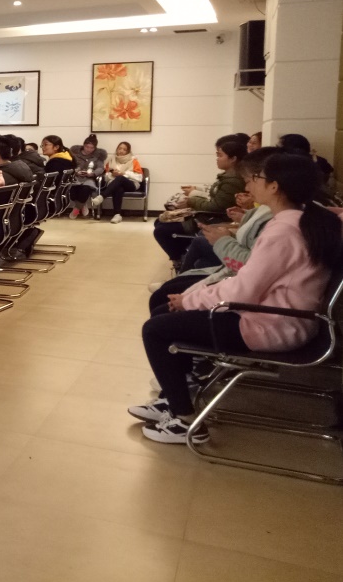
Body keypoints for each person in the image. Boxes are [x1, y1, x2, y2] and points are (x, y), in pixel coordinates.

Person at [130, 153, 343, 443]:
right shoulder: (307, 218)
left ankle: (185, 421)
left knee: (156, 329)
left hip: (272, 325)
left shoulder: (284, 231)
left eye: (255, 178)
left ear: (274, 186)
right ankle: (173, 396)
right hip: (280, 317)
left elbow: (244, 290)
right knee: (164, 315)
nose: (248, 184)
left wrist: (189, 300)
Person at [147, 147, 281, 309]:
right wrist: (244, 216)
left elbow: (252, 271)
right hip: (234, 275)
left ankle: (179, 268)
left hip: (244, 294)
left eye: (251, 181)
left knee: (178, 237)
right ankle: (180, 271)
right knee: (185, 255)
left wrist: (222, 239)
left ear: (273, 185)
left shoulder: (282, 227)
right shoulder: (269, 210)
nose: (247, 188)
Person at [153, 135, 246, 266]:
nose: (217, 159)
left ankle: (180, 260)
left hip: (212, 219)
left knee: (161, 230)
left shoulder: (232, 181)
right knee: (160, 222)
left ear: (233, 159)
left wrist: (191, 201)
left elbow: (216, 206)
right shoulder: (228, 177)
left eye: (220, 155)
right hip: (208, 216)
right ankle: (183, 257)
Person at [89, 141, 143, 223]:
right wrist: (113, 174)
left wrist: (124, 173)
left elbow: (139, 177)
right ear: (117, 149)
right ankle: (117, 215)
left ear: (128, 151)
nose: (121, 151)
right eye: (120, 148)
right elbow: (106, 176)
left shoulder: (133, 161)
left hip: (131, 184)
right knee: (118, 188)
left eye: (124, 149)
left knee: (120, 178)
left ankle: (102, 196)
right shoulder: (111, 160)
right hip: (114, 183)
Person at [69, 135, 107, 218]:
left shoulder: (97, 156)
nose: (89, 149)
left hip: (89, 178)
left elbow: (100, 168)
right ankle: (83, 204)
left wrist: (92, 173)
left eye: (91, 148)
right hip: (76, 177)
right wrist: (76, 172)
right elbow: (70, 165)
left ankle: (76, 209)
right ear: (83, 145)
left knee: (85, 189)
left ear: (94, 148)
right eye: (87, 147)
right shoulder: (75, 154)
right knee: (72, 191)